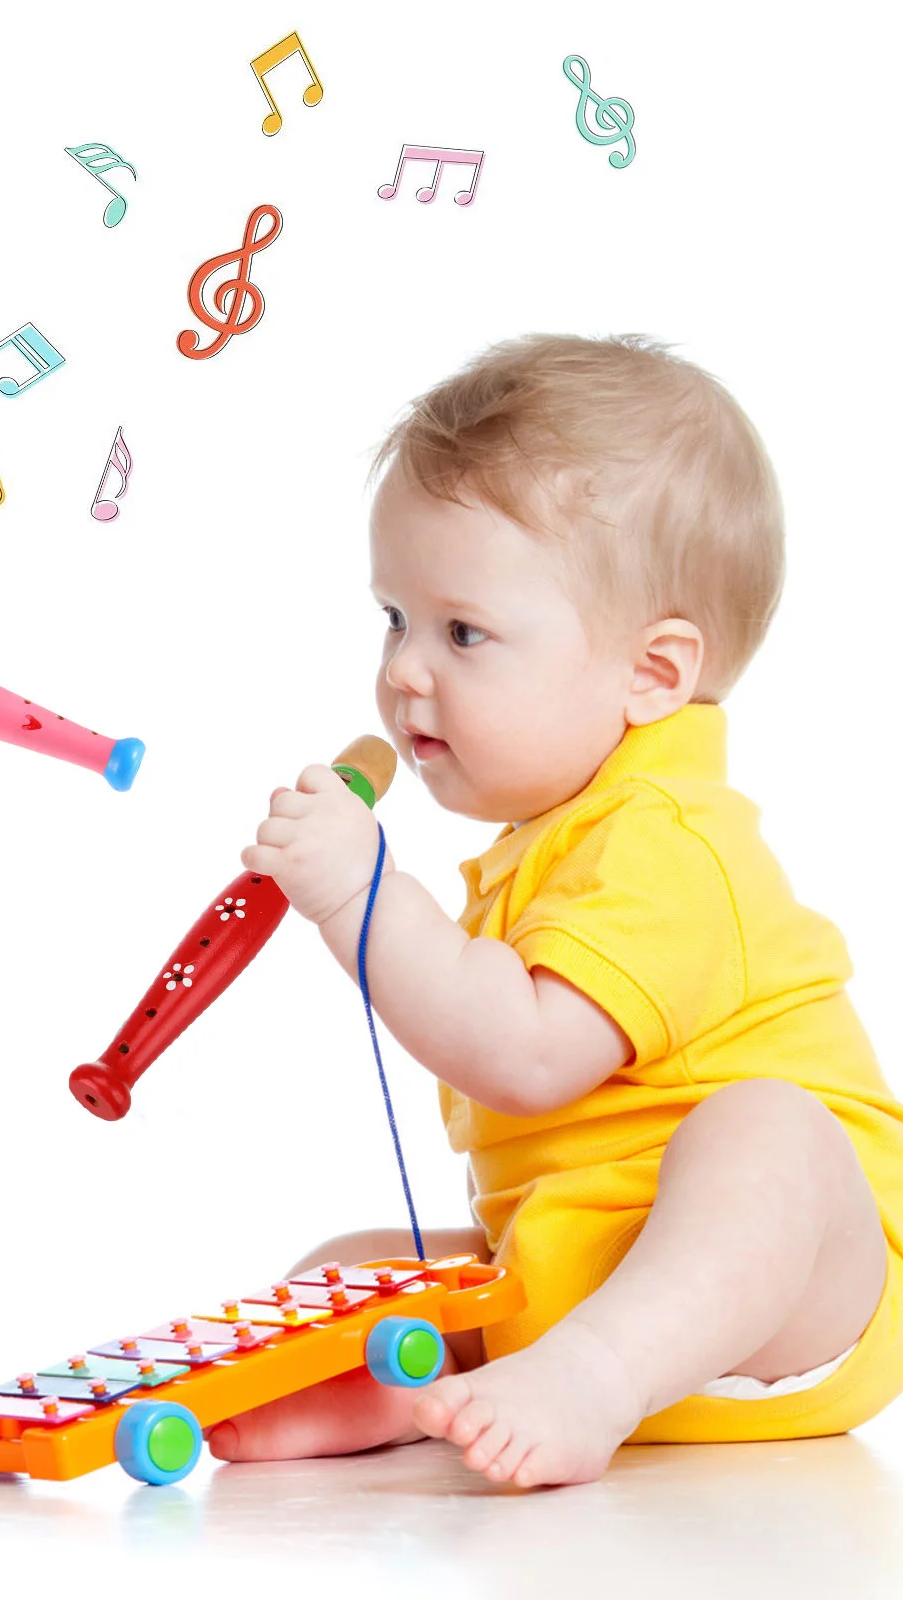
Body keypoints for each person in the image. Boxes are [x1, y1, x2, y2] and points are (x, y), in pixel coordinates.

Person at [216, 333, 903, 1487]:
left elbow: (528, 1057)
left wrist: (356, 893)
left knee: (768, 1133)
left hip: (798, 1290)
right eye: (393, 617)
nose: (403, 673)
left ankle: (592, 1370)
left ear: (651, 673)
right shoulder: (553, 839)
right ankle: (411, 1394)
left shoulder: (670, 841)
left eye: (462, 632)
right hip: (585, 1261)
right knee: (345, 1273)